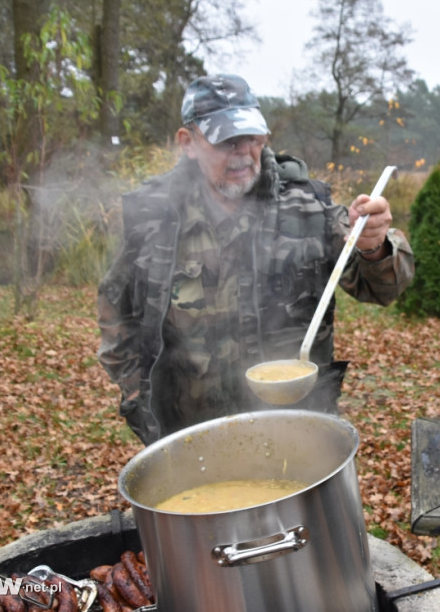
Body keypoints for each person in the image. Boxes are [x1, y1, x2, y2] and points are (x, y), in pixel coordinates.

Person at [97, 73, 415, 445]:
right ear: (189, 142)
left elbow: (384, 287)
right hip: (192, 438)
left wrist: (374, 245)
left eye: (251, 137)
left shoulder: (307, 208)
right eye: (227, 141)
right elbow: (116, 310)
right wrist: (138, 395)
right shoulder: (156, 219)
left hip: (297, 434)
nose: (243, 153)